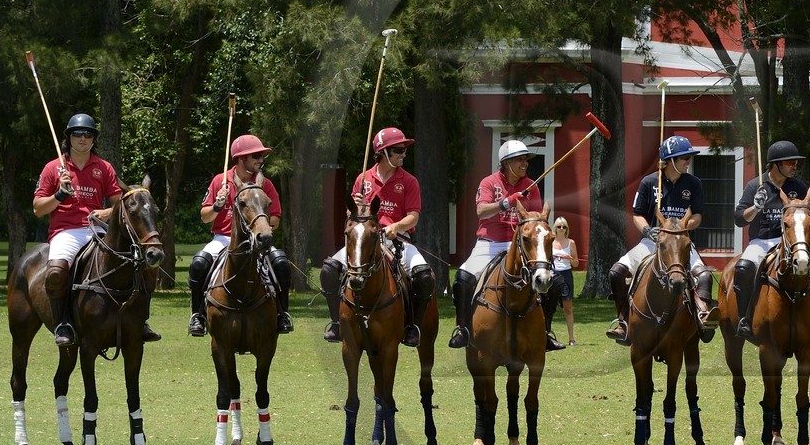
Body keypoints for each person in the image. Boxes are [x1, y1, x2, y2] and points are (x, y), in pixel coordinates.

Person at [32, 113, 160, 346]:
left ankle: (141, 321)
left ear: (94, 139)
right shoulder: (54, 168)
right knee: (56, 272)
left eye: (88, 134)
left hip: (98, 229)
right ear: (68, 137)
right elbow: (38, 209)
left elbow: (121, 205)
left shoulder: (104, 167)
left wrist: (106, 213)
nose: (83, 138)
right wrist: (59, 194)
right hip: (66, 231)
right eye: (77, 133)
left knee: (142, 267)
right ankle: (63, 324)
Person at [318, 127, 437, 348]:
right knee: (328, 269)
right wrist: (357, 208)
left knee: (424, 276)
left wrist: (397, 225)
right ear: (383, 152)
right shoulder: (363, 179)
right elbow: (351, 219)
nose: (404, 154)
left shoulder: (409, 181)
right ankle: (337, 323)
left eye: (404, 149)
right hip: (365, 241)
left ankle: (413, 326)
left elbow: (413, 217)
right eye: (399, 150)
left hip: (398, 239)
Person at [447, 139, 559, 350]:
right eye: (519, 160)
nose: (524, 164)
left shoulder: (531, 186)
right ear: (506, 163)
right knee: (462, 279)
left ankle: (545, 333)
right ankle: (462, 329)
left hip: (520, 244)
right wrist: (506, 202)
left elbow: (534, 220)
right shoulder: (488, 183)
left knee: (555, 282)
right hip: (490, 242)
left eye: (526, 159)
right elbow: (481, 211)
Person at [606, 135, 717, 346]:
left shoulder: (694, 183)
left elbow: (698, 216)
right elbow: (637, 214)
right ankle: (624, 321)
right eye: (685, 157)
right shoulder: (650, 182)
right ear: (671, 160)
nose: (689, 161)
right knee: (616, 272)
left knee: (704, 276)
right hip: (652, 241)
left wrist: (683, 226)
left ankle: (702, 317)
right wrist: (648, 230)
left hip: (680, 242)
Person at [731, 139, 810, 343]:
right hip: (762, 241)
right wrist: (755, 207)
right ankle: (745, 318)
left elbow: (806, 219)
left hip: (794, 241)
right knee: (744, 268)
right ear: (776, 164)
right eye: (790, 162)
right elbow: (739, 219)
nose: (794, 166)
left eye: (795, 162)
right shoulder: (755, 185)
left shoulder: (798, 187)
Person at [185, 134, 293, 337]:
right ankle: (197, 315)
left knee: (280, 262)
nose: (261, 159)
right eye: (256, 156)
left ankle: (282, 313)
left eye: (261, 155)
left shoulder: (265, 185)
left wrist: (261, 228)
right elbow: (205, 217)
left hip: (257, 238)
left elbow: (276, 219)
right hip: (224, 239)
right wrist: (217, 205)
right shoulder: (220, 180)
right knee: (198, 263)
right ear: (241, 158)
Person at [545, 216, 579, 346]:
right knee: (549, 306)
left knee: (568, 307)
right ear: (555, 228)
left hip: (566, 275)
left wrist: (569, 257)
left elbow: (576, 263)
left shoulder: (571, 243)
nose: (561, 229)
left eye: (564, 226)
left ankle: (571, 338)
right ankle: (546, 335)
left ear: (566, 229)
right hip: (552, 274)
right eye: (559, 226)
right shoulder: (550, 241)